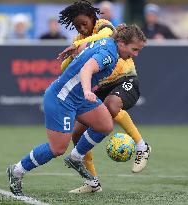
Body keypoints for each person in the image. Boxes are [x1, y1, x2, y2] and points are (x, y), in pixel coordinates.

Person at [7, 24, 146, 196]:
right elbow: (87, 69)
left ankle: (76, 157)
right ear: (122, 43)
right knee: (57, 149)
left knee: (104, 125)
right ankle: (17, 170)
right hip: (62, 98)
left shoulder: (107, 41)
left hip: (78, 96)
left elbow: (86, 46)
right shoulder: (109, 53)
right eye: (134, 49)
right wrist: (88, 90)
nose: (135, 54)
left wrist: (76, 49)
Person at [58, 0, 150, 193]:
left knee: (112, 105)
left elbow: (105, 34)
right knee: (77, 133)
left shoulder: (103, 26)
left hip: (125, 79)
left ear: (93, 18)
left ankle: (142, 146)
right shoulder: (78, 39)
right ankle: (92, 183)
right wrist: (73, 54)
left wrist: (81, 45)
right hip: (103, 85)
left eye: (84, 23)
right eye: (77, 26)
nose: (82, 28)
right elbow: (63, 68)